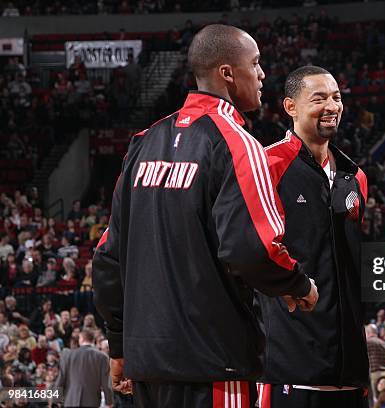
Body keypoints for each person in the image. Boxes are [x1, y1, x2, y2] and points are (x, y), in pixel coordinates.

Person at [93, 24, 319, 408]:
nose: (263, 74)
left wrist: (118, 344)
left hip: (147, 365)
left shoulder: (142, 143)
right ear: (227, 73)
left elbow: (108, 256)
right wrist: (296, 284)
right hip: (214, 364)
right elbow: (253, 248)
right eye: (256, 63)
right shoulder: (237, 143)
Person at [256, 66, 369, 408]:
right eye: (319, 98)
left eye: (336, 97)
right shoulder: (267, 166)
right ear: (290, 107)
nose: (331, 106)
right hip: (290, 370)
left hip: (351, 374)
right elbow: (250, 253)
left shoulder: (355, 176)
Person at [54, 329, 113, 408]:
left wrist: (56, 398)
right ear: (93, 339)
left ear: (81, 339)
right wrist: (109, 401)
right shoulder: (102, 357)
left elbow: (61, 378)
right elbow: (106, 383)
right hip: (91, 401)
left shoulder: (68, 355)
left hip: (71, 400)